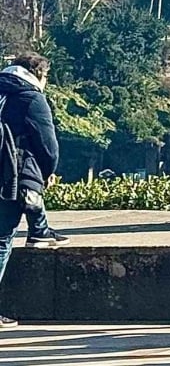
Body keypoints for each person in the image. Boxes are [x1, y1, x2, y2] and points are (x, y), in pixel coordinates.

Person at [0, 53, 60, 329]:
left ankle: (41, 231)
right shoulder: (32, 98)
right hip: (7, 177)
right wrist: (47, 172)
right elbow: (47, 145)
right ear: (40, 74)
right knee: (1, 237)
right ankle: (41, 232)